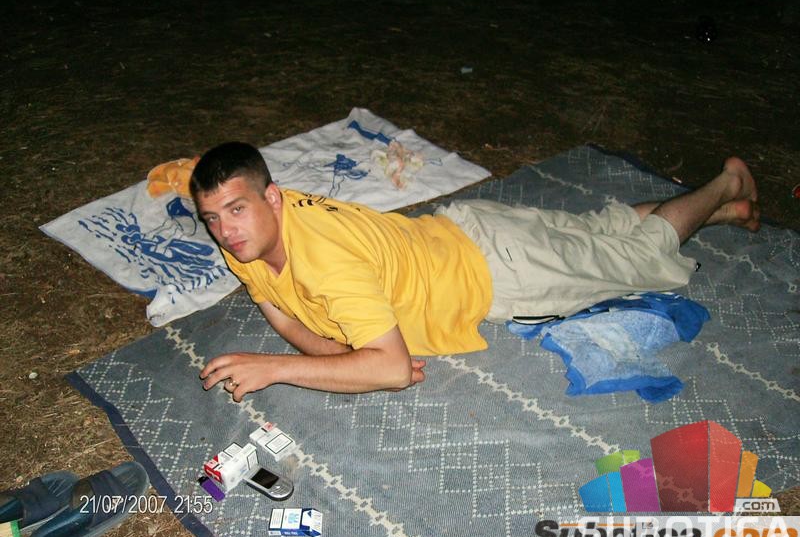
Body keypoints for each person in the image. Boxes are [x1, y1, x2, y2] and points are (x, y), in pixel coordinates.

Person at [190, 142, 760, 402]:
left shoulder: (326, 260)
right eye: (213, 218)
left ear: (273, 197)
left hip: (503, 271)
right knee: (600, 231)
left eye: (237, 210)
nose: (226, 231)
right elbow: (281, 312)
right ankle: (725, 212)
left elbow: (391, 370)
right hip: (463, 229)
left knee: (638, 257)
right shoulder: (245, 239)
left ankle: (725, 185)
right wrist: (342, 357)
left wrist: (274, 368)